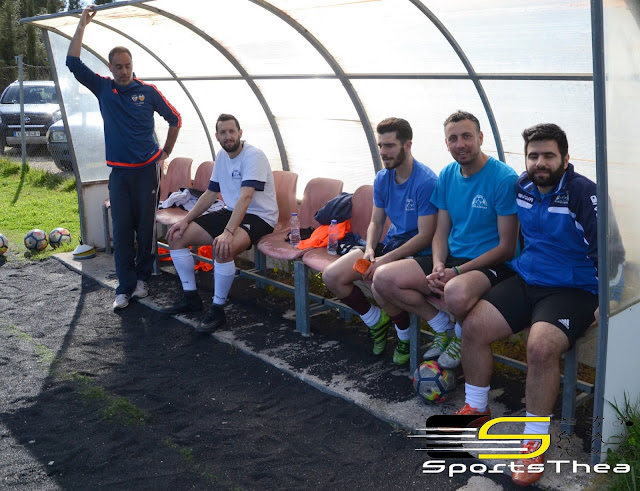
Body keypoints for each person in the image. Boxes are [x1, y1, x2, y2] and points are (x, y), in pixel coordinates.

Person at [455, 123, 625, 486]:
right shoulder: (523, 187)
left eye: (549, 155)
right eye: (533, 156)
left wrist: (609, 299)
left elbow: (612, 252)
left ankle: (533, 442)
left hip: (573, 289)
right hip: (529, 278)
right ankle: (476, 406)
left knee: (541, 347)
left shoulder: (584, 194)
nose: (540, 163)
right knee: (474, 326)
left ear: (566, 158)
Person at [373, 111, 518, 368]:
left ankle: (461, 338)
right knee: (383, 278)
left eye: (466, 136)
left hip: (489, 264)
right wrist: (439, 264)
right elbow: (441, 232)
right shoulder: (448, 174)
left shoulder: (503, 179)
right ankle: (442, 327)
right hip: (452, 260)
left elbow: (506, 248)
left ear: (480, 138)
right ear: (446, 143)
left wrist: (457, 272)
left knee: (455, 292)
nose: (460, 144)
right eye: (453, 138)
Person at [67, 5, 181, 311]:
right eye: (118, 66)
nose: (124, 71)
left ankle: (142, 279)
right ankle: (124, 287)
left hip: (147, 171)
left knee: (145, 228)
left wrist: (165, 153)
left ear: (133, 66)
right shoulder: (103, 88)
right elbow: (72, 62)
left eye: (128, 66)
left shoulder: (148, 92)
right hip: (119, 173)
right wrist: (82, 25)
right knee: (122, 230)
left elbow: (175, 119)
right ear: (110, 67)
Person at [321, 117, 438, 365]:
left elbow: (425, 236)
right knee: (333, 276)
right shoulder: (383, 178)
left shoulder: (426, 182)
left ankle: (405, 335)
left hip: (417, 254)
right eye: (381, 145)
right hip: (389, 246)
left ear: (407, 145)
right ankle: (376, 321)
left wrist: (383, 260)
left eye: (390, 145)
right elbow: (376, 221)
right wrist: (370, 251)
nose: (383, 152)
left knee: (378, 280)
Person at [160, 114, 278, 333]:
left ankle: (217, 310)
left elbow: (246, 197)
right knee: (176, 237)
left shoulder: (254, 156)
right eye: (223, 132)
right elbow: (210, 193)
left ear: (240, 133)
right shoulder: (222, 156)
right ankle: (191, 298)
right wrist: (185, 220)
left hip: (259, 216)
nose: (228, 136)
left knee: (224, 247)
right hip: (231, 210)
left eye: (232, 131)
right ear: (217, 136)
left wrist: (227, 232)